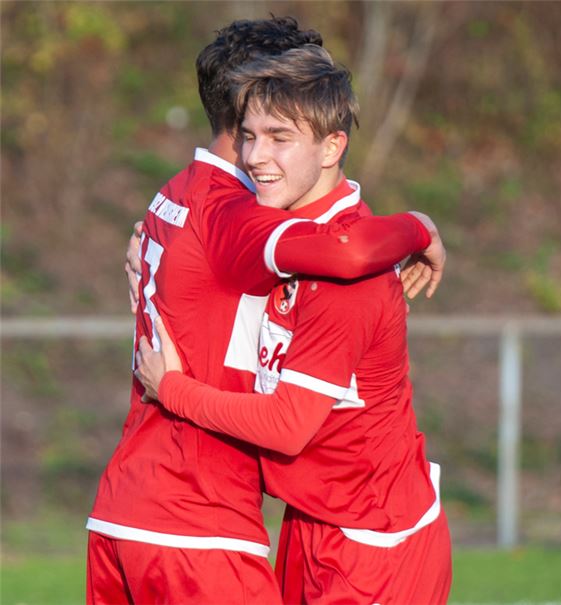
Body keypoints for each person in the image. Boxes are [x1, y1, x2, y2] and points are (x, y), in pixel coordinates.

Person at [87, 18, 445, 605]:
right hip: (204, 523)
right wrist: (421, 227)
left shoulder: (175, 198)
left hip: (365, 535)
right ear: (240, 105)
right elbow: (345, 248)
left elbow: (349, 251)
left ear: (332, 142)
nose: (259, 154)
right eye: (253, 134)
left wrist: (173, 386)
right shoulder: (242, 222)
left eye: (280, 135)